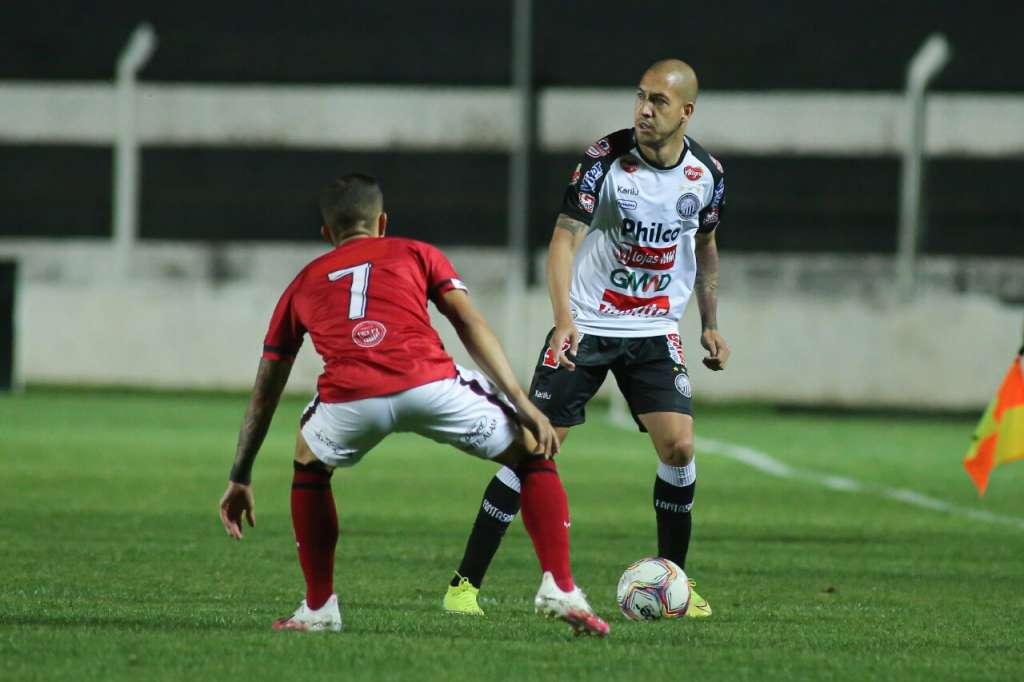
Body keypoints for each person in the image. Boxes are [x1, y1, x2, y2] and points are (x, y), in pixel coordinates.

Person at [218, 173, 609, 636]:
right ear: (382, 222)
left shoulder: (302, 282)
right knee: (532, 449)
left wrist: (240, 475)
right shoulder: (416, 252)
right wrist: (522, 403)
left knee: (309, 458)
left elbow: (266, 388)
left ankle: (319, 607)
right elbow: (468, 322)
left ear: (327, 233)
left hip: (351, 402)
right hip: (430, 385)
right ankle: (560, 587)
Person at [443, 59, 729, 618]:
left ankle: (676, 582)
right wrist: (564, 318)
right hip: (590, 324)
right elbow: (562, 240)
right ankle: (463, 585)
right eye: (641, 97)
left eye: (659, 101)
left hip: (653, 331)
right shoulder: (604, 162)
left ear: (686, 112)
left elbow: (706, 245)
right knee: (534, 447)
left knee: (680, 447)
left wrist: (710, 323)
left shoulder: (708, 175)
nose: (644, 109)